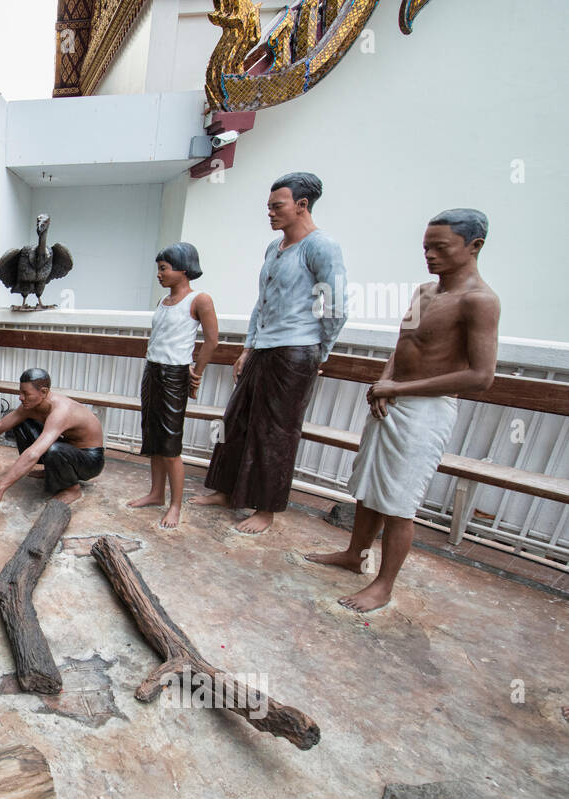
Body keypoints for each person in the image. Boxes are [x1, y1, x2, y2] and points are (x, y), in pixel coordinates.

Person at [306, 209, 499, 612]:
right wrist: (383, 384)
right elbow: (403, 344)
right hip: (391, 399)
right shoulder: (424, 293)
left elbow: (480, 376)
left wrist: (400, 387)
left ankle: (384, 585)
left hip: (426, 410)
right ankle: (354, 554)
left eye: (440, 247)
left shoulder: (479, 302)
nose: (430, 255)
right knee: (368, 488)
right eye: (426, 247)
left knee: (399, 501)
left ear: (474, 246)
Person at [190, 172, 348, 534]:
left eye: (278, 206)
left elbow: (337, 305)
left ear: (302, 205)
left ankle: (266, 508)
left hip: (296, 350)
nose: (271, 213)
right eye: (269, 207)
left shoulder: (321, 246)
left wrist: (318, 353)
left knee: (276, 431)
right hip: (263, 348)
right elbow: (261, 304)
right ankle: (228, 492)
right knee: (237, 420)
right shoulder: (273, 249)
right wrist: (248, 347)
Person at [127, 242, 219, 528]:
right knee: (154, 439)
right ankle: (156, 493)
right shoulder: (163, 302)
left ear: (183, 268)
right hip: (152, 371)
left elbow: (212, 340)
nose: (159, 274)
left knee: (170, 443)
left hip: (175, 374)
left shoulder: (199, 300)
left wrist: (197, 372)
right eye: (158, 269)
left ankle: (175, 504)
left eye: (164, 268)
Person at [0, 368, 105, 512]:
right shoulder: (32, 405)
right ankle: (54, 471)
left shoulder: (61, 411)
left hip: (91, 460)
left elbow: (33, 453)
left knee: (52, 449)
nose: (21, 397)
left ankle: (72, 489)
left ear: (43, 392)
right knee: (19, 422)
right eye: (20, 392)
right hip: (69, 448)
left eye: (26, 394)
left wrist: (0, 487)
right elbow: (0, 425)